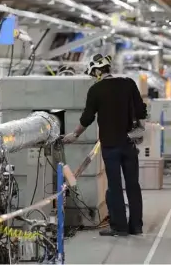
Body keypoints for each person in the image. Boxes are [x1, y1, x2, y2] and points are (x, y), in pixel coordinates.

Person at [62, 54, 147, 237]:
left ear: (99, 70)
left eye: (94, 73)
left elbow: (87, 118)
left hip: (110, 146)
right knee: (133, 185)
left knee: (114, 187)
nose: (94, 76)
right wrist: (140, 130)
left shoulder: (96, 90)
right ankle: (136, 226)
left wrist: (74, 135)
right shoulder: (129, 83)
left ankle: (119, 227)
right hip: (129, 143)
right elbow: (141, 110)